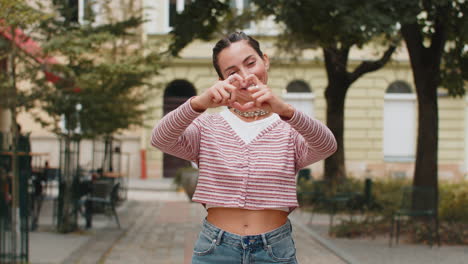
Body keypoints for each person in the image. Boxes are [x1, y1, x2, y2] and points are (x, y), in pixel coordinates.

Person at [151, 32, 337, 264]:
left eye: (251, 63)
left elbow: (327, 145)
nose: (246, 76)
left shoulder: (290, 128)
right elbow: (160, 139)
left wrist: (285, 110)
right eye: (232, 73)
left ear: (265, 60)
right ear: (222, 80)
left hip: (274, 250)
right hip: (215, 250)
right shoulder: (207, 126)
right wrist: (199, 103)